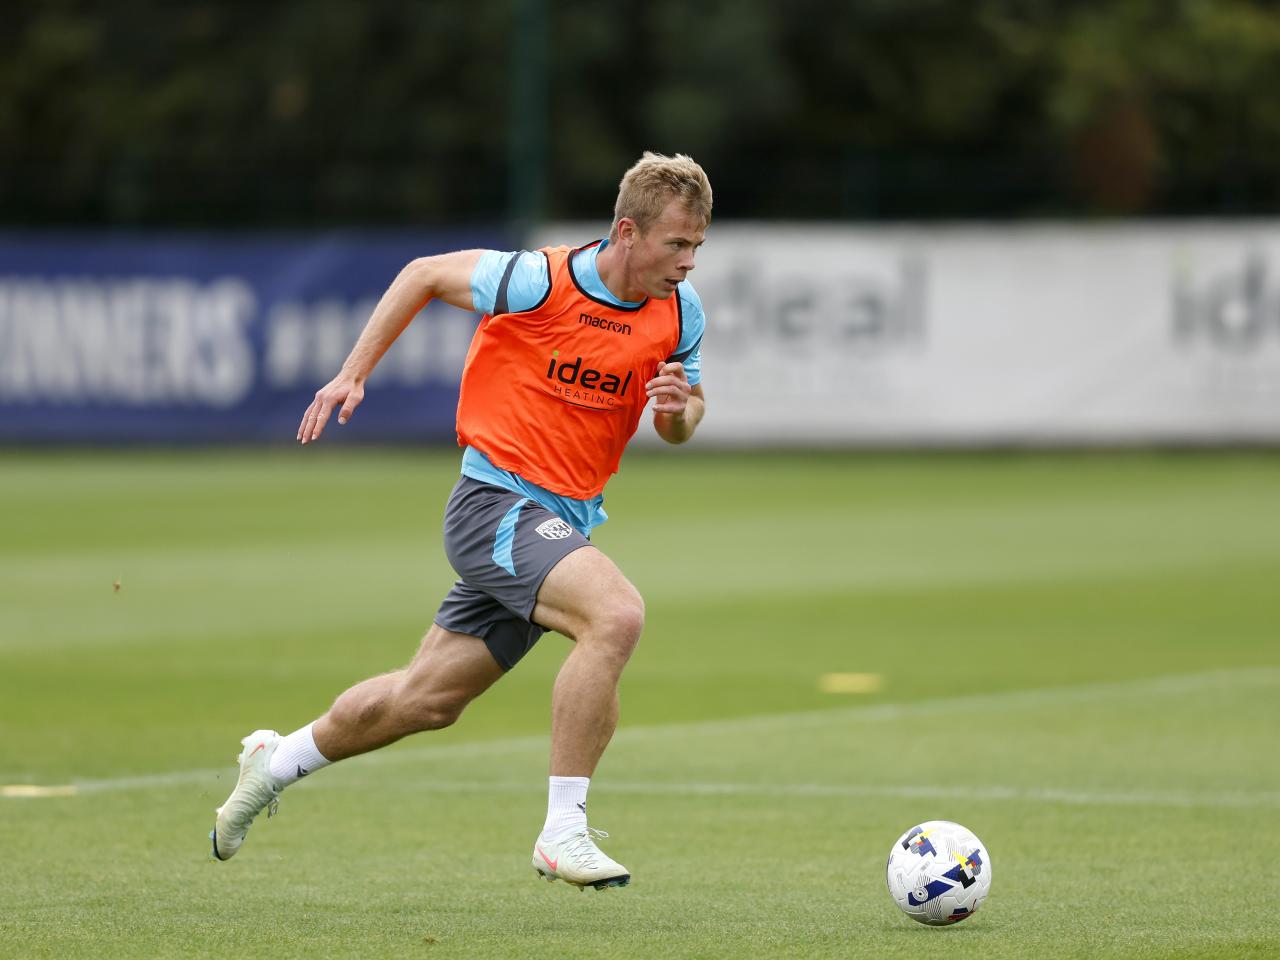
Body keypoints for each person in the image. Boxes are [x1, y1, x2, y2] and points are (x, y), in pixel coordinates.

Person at [209, 152, 711, 890]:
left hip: (562, 523)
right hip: (495, 503)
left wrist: (680, 412)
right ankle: (562, 831)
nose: (689, 261)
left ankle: (274, 762)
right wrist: (353, 371)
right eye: (677, 244)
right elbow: (420, 273)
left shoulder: (680, 314)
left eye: (699, 245)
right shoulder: (541, 279)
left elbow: (685, 418)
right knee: (616, 615)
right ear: (628, 232)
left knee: (426, 700)